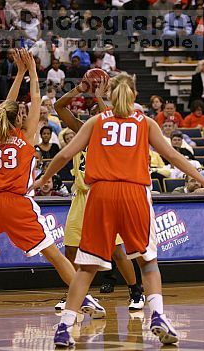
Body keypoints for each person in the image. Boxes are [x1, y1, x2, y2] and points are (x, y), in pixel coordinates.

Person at [33, 72, 204, 347]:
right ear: (134, 96)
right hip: (133, 192)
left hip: (100, 194)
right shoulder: (146, 123)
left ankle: (64, 327)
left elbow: (63, 154)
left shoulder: (96, 122)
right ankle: (156, 316)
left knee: (85, 269)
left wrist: (41, 180)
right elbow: (174, 156)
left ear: (109, 95)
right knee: (148, 262)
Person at [0, 49, 105, 321]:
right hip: (16, 202)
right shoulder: (26, 137)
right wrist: (32, 72)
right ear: (20, 120)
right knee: (54, 255)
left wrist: (18, 73)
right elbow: (37, 99)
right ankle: (83, 298)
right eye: (24, 113)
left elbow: (8, 105)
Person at [53, 81, 145, 312]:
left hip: (102, 193)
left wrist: (99, 96)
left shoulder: (112, 132)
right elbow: (59, 106)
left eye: (100, 111)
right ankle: (76, 294)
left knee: (116, 251)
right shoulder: (82, 130)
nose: (98, 114)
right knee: (71, 248)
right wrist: (78, 89)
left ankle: (136, 292)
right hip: (81, 198)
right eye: (94, 112)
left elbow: (108, 114)